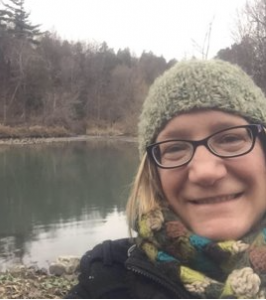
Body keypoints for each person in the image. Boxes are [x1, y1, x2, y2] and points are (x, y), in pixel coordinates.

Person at [67, 59, 266, 298]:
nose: (205, 171)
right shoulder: (106, 280)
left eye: (230, 139)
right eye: (174, 148)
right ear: (152, 173)